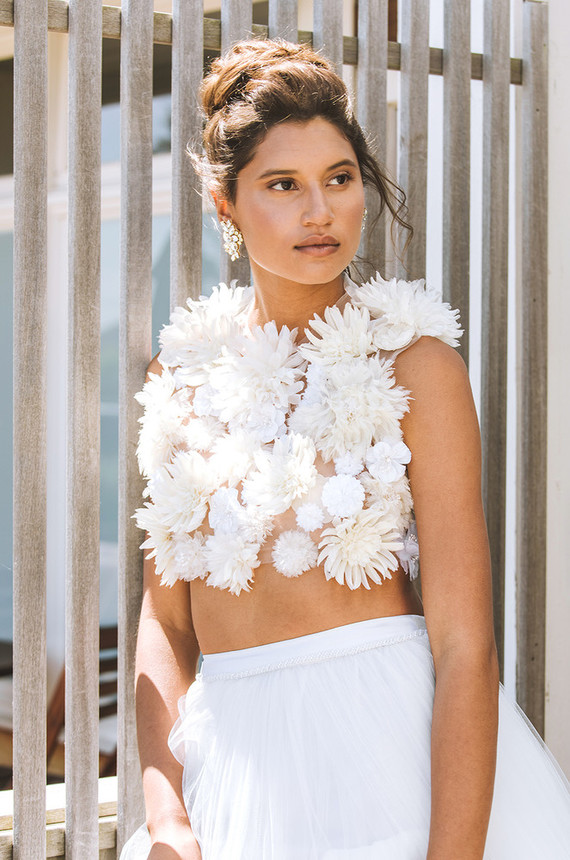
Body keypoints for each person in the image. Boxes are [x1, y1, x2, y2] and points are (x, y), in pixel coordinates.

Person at [120, 39, 570, 860]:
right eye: (282, 185)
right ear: (225, 204)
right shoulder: (181, 375)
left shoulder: (418, 366)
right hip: (237, 788)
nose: (319, 211)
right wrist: (167, 817)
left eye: (338, 177)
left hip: (390, 774)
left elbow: (466, 646)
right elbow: (167, 621)